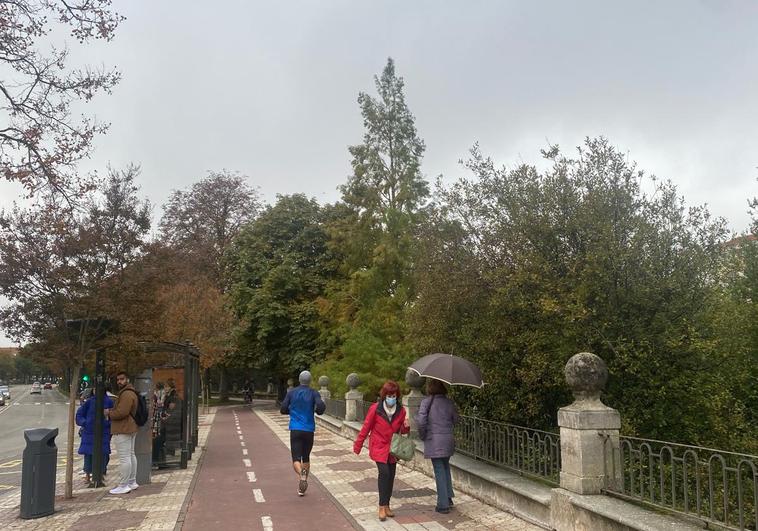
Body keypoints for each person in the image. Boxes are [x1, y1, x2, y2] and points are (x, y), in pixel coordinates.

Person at [353, 380, 410, 521]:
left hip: (393, 448)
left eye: (394, 396)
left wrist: (406, 426)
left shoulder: (401, 410)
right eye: (389, 395)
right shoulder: (375, 409)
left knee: (391, 476)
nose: (392, 398)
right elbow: (366, 427)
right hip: (379, 445)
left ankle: (387, 505)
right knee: (384, 473)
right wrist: (358, 445)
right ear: (384, 395)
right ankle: (381, 506)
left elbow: (401, 430)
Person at [416, 378, 459, 514]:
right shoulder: (449, 402)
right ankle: (448, 497)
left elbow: (421, 422)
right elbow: (456, 420)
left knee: (439, 470)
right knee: (445, 467)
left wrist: (423, 435)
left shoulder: (426, 402)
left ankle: (443, 505)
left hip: (434, 440)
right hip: (447, 439)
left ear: (430, 388)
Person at [279, 370, 326, 496]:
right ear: (310, 381)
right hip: (309, 429)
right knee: (306, 456)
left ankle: (302, 475)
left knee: (295, 458)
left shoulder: (291, 393)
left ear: (299, 380)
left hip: (295, 429)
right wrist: (317, 410)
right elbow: (320, 407)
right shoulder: (313, 393)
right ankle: (302, 488)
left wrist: (291, 412)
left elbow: (283, 409)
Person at [105, 371, 139, 495]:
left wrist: (109, 413)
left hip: (123, 428)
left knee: (125, 457)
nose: (119, 381)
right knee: (130, 455)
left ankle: (124, 485)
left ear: (128, 379)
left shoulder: (126, 394)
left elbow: (122, 412)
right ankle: (131, 481)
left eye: (122, 379)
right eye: (118, 379)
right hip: (131, 427)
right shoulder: (131, 392)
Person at [75, 387, 114, 483]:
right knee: (88, 455)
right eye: (94, 389)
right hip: (89, 432)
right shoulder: (89, 402)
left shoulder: (108, 402)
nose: (96, 391)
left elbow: (113, 416)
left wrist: (108, 424)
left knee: (103, 454)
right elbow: (79, 414)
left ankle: (100, 474)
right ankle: (88, 475)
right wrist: (85, 423)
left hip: (103, 432)